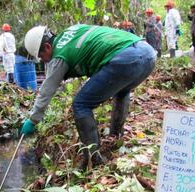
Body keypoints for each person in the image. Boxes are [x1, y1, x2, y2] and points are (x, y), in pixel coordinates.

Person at [21, 25, 156, 170]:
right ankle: (115, 138)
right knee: (122, 89)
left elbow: (46, 91)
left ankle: (93, 159)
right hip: (148, 53)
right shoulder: (70, 31)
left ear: (47, 47)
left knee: (81, 104)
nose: (44, 61)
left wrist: (33, 120)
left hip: (126, 59)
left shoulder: (59, 56)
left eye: (42, 57)